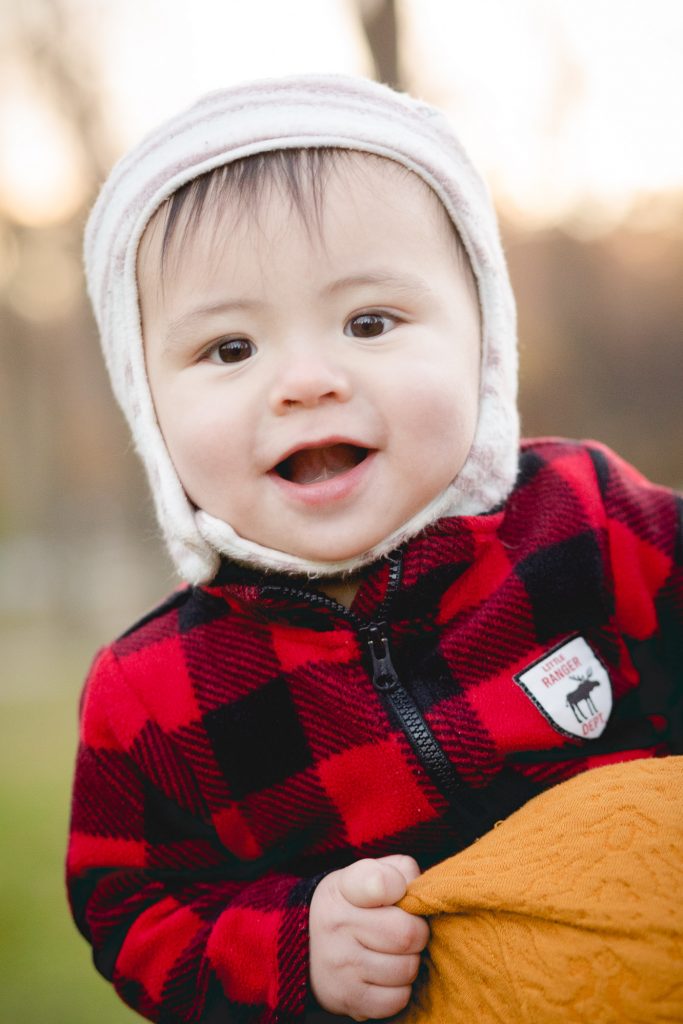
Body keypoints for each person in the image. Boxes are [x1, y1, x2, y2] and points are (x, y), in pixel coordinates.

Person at [66, 74, 683, 1024]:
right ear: (149, 409)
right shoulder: (151, 695)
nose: (307, 381)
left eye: (369, 323)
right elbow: (133, 914)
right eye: (230, 349)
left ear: (481, 342)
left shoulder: (590, 520)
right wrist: (293, 947)